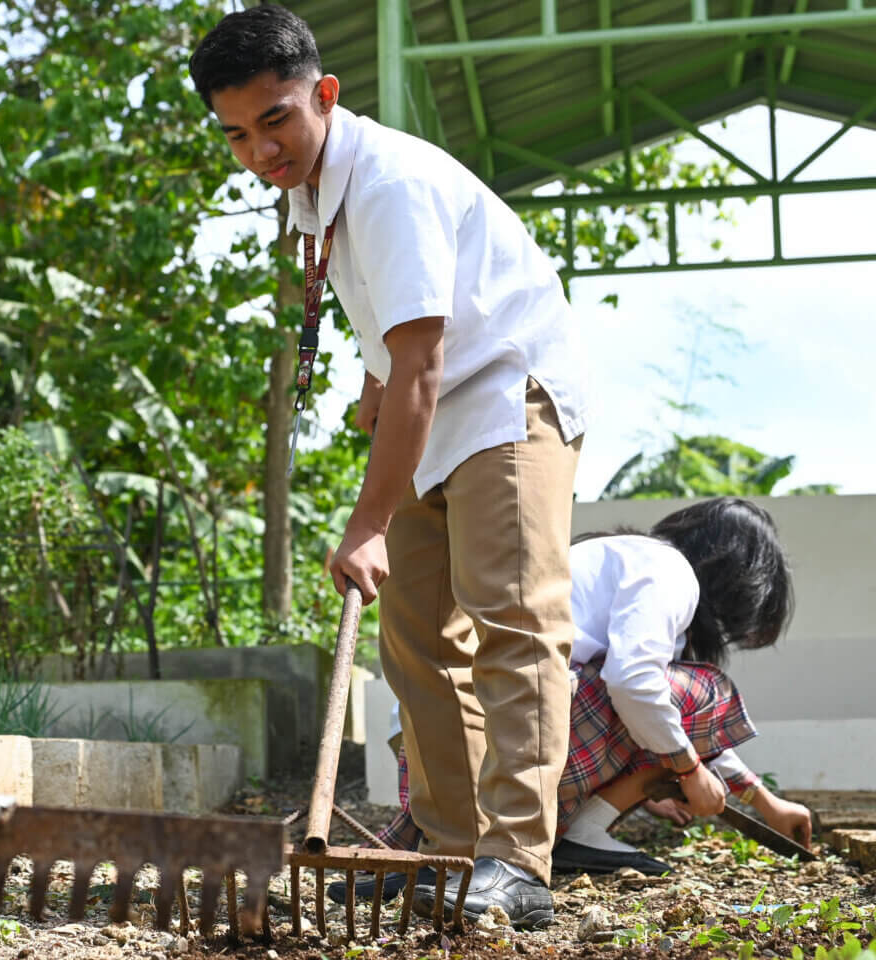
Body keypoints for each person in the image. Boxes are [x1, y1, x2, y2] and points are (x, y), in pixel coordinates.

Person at [189, 4, 589, 929]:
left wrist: (365, 519)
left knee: (513, 617)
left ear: (323, 94)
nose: (259, 150)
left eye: (276, 120)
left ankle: (518, 861)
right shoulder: (312, 193)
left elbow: (425, 358)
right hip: (430, 406)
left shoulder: (389, 183)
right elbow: (396, 350)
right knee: (415, 636)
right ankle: (449, 853)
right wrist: (373, 389)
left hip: (505, 393)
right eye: (237, 134)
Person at [340, 497, 815, 902]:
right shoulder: (669, 571)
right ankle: (575, 834)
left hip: (432, 739)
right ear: (734, 582)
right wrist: (689, 771)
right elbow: (636, 685)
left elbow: (647, 698)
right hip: (504, 730)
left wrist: (765, 801)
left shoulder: (615, 556)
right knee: (706, 692)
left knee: (663, 718)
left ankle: (422, 840)